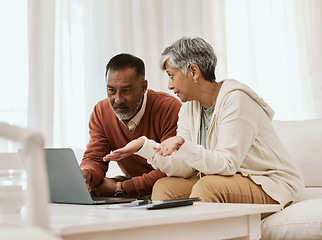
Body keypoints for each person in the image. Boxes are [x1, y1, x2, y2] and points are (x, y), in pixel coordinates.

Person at [104, 37, 305, 214]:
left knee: (208, 187)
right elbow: (183, 168)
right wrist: (145, 147)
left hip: (270, 183)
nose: (169, 85)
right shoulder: (189, 108)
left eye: (172, 75)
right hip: (231, 179)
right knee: (165, 186)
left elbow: (227, 164)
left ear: (193, 71)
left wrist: (183, 144)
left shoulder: (236, 100)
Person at [80, 53, 182, 199]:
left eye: (126, 91)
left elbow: (170, 168)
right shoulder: (101, 111)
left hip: (168, 181)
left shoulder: (169, 108)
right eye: (111, 91)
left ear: (143, 87)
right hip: (134, 180)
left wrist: (121, 188)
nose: (118, 99)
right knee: (92, 191)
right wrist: (87, 174)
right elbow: (96, 158)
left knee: (162, 188)